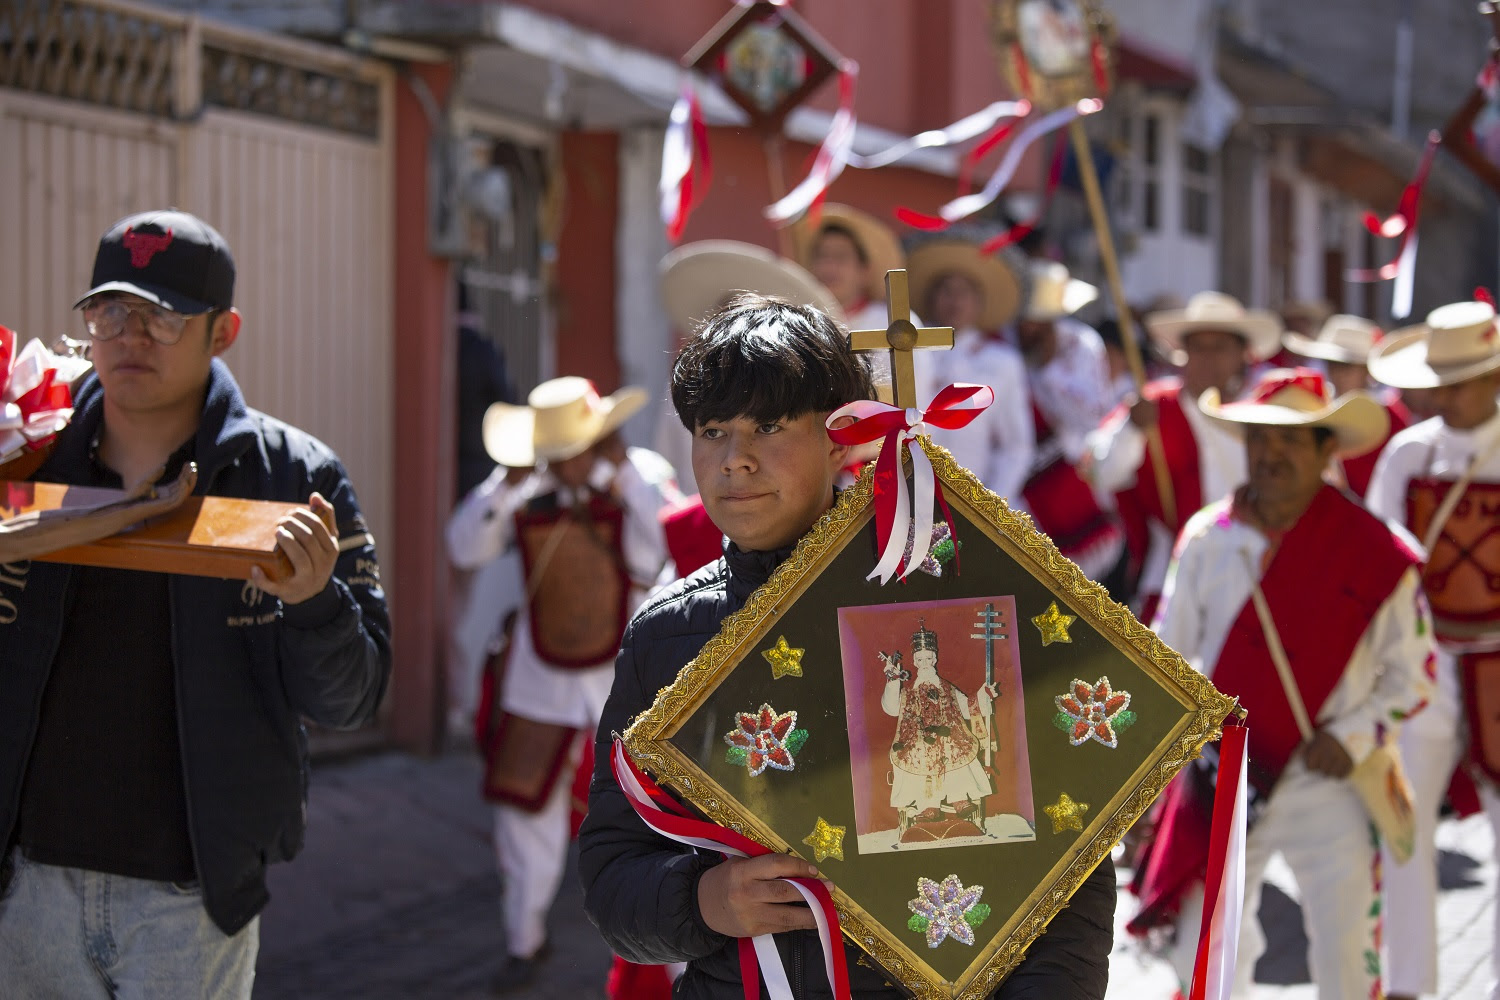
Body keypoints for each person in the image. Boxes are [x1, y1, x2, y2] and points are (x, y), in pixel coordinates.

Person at [579, 292, 1115, 998]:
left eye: (768, 425)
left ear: (840, 437)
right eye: (712, 430)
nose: (734, 460)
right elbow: (614, 869)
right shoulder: (665, 636)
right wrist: (705, 902)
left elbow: (1070, 872)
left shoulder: (953, 603)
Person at [0, 209, 391, 998]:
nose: (130, 335)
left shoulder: (292, 479)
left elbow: (356, 700)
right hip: (26, 887)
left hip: (190, 901)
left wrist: (315, 603)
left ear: (224, 332)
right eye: (110, 311)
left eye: (164, 315)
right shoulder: (26, 457)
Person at [1130, 368, 1433, 998]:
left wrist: (1351, 737)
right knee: (1207, 956)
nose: (1271, 455)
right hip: (1225, 777)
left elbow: (1416, 675)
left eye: (1293, 440)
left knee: (1348, 953)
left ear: (1328, 451)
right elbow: (1165, 657)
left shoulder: (1374, 552)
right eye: (1259, 439)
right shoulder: (1206, 540)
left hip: (1332, 781)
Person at [446, 375, 674, 992]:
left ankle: (672, 946)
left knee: (657, 809)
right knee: (525, 812)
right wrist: (507, 482)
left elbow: (666, 552)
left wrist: (624, 477)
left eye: (579, 447)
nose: (569, 462)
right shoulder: (523, 491)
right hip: (537, 682)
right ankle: (524, 940)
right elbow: (464, 547)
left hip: (623, 679)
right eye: (558, 450)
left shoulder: (640, 478)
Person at [1365, 298, 1500, 1000]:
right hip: (1426, 663)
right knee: (1406, 822)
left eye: (1462, 380)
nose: (1444, 395)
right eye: (1438, 380)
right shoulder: (1407, 453)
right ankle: (1410, 986)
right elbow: (1381, 559)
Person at [1088, 291, 1281, 619]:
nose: (1208, 357)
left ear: (1241, 354)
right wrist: (1134, 429)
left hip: (1254, 573)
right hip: (1171, 577)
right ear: (1184, 353)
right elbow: (1102, 474)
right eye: (1198, 347)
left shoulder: (1265, 412)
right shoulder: (1152, 406)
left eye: (1219, 347)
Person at [1015, 259, 1123, 581]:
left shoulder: (1082, 345)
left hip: (1079, 482)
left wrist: (1047, 370)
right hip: (1027, 494)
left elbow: (1093, 414)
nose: (1028, 328)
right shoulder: (1009, 348)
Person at [906, 239, 1033, 500]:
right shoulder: (907, 350)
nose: (955, 300)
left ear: (979, 301)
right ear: (931, 297)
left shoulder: (1003, 362)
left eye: (965, 292)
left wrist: (992, 505)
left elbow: (1016, 446)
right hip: (909, 494)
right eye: (946, 290)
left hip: (975, 496)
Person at [882, 619, 996, 834]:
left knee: (955, 746)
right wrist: (892, 681)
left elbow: (966, 707)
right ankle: (928, 806)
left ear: (935, 659)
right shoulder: (908, 692)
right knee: (917, 754)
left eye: (928, 658)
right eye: (920, 659)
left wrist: (984, 695)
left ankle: (959, 799)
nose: (924, 663)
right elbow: (891, 708)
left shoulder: (947, 689)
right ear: (914, 663)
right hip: (916, 740)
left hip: (949, 736)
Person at [1282, 312, 1411, 498]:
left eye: (1345, 366)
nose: (1337, 374)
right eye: (1331, 364)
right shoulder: (1315, 411)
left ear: (1366, 370)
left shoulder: (1390, 418)